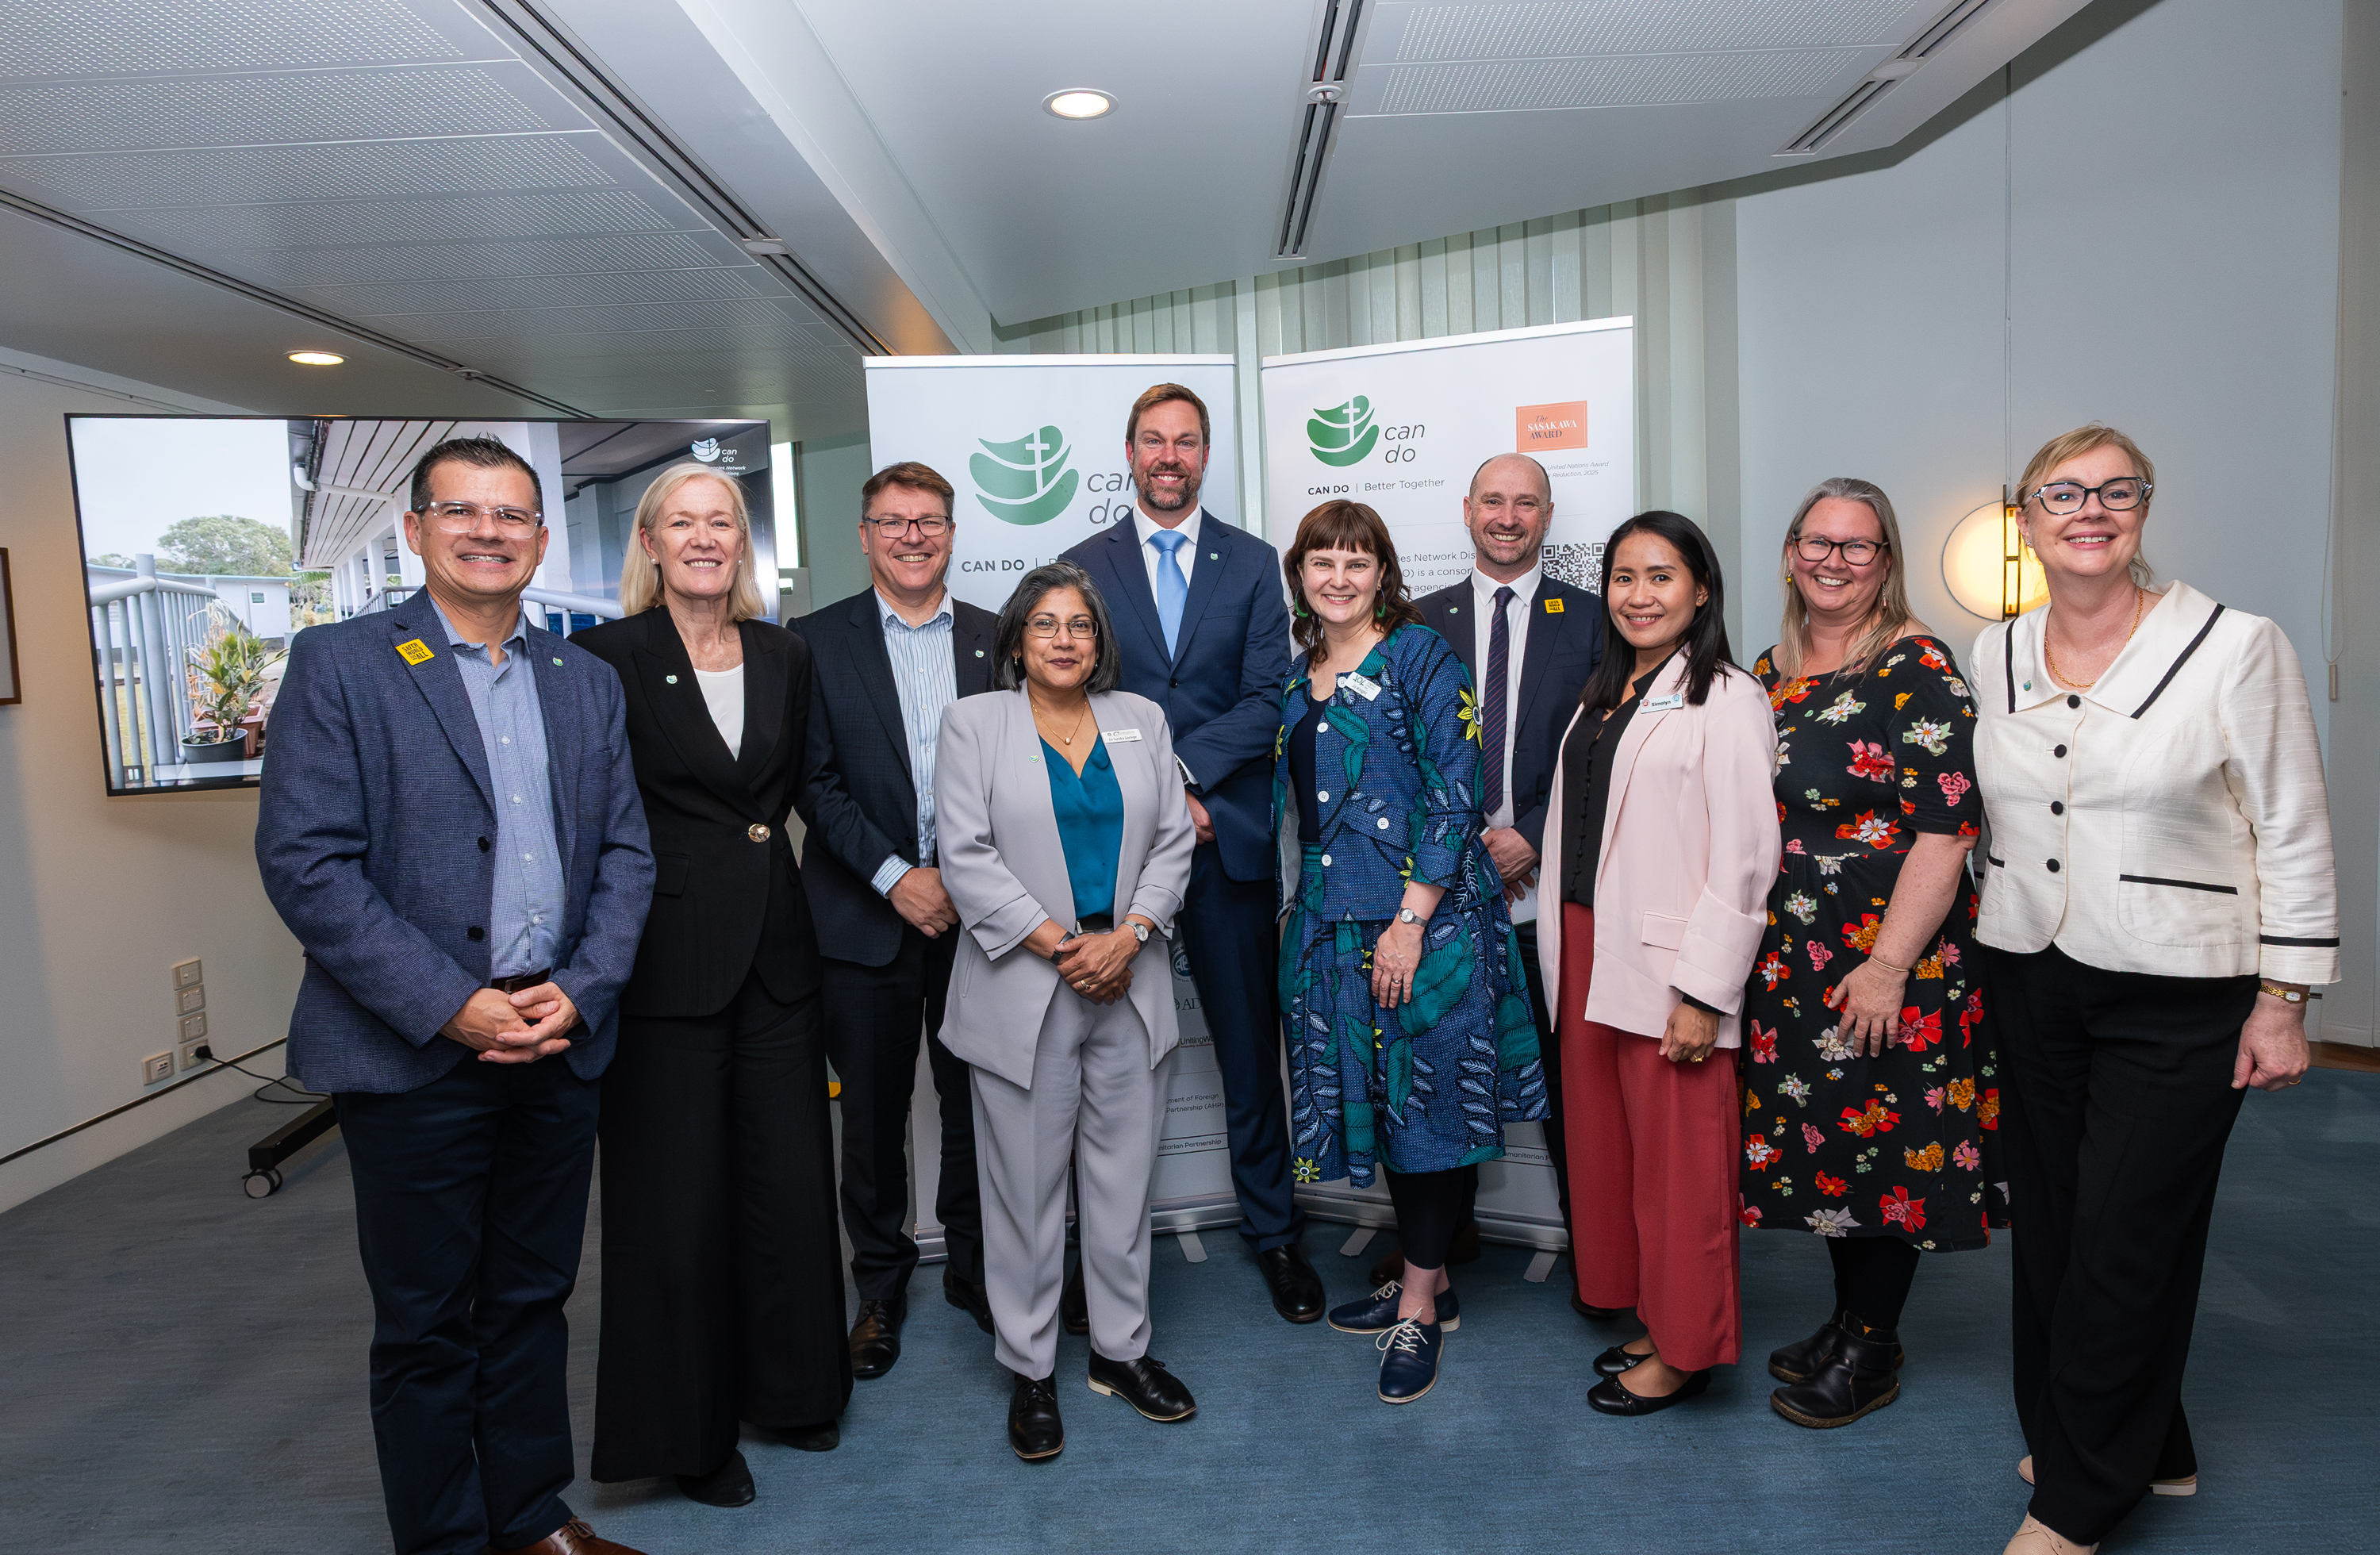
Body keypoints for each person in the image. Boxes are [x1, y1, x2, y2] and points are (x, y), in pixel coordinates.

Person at [255, 436, 654, 1555]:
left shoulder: (586, 680)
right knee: (428, 1322)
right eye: (462, 511)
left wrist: (579, 990)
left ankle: (529, 1517)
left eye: (512, 515)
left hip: (556, 1037)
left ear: (539, 539)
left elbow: (627, 857)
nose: (488, 531)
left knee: (531, 1300)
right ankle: (444, 1541)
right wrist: (451, 1004)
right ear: (415, 529)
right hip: (416, 1050)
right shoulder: (340, 663)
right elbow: (307, 865)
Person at [1971, 426, 2336, 1555]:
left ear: (2143, 509)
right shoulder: (1996, 651)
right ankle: (2144, 1442)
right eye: (2062, 493)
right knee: (2057, 1229)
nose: (2091, 510)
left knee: (2129, 1230)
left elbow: (2292, 822)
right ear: (2025, 520)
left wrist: (2289, 994)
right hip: (2030, 971)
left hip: (2183, 984)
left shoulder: (2234, 644)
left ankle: (2077, 1499)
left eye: (2115, 491)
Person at [572, 464, 848, 1507]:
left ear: (743, 542)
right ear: (648, 543)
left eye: (720, 522)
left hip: (779, 954)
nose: (702, 537)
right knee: (672, 1204)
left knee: (785, 1185)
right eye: (680, 522)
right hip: (661, 964)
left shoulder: (786, 652)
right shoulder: (605, 659)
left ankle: (793, 1389)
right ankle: (689, 1437)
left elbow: (800, 792)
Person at [1740, 478, 2005, 1430]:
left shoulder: (1914, 662)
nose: (1834, 562)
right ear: (1789, 550)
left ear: (1885, 561)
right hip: (1795, 948)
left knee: (1886, 1145)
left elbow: (1948, 830)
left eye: (1858, 547)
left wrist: (1889, 964)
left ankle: (1874, 1348)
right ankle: (1850, 1320)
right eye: (1818, 543)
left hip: (1892, 948)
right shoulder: (1768, 669)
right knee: (1832, 1144)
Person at [1274, 500, 1546, 1406]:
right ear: (1301, 574)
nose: (1339, 577)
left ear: (1382, 572)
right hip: (1330, 925)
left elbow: (1454, 791)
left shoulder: (1423, 656)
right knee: (1386, 1112)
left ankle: (1422, 1304)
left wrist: (1410, 918)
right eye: (1323, 561)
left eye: (1357, 561)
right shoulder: (1299, 673)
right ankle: (1431, 1274)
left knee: (1427, 1112)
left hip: (1419, 925)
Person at [1061, 383, 1322, 1323]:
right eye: (1154, 441)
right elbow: (1072, 697)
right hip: (1114, 850)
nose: (1170, 457)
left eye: (1187, 442)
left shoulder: (1254, 564)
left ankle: (1275, 1233)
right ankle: (1100, 1250)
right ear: (1129, 452)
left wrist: (1187, 787)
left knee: (1251, 1052)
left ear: (1205, 455)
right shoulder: (1080, 567)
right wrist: (1157, 796)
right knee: (1100, 1055)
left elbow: (1266, 697)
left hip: (1225, 842)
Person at [935, 562, 1199, 1460]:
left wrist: (1126, 938)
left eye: (1080, 625)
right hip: (1027, 986)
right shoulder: (974, 723)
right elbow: (964, 857)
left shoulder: (1141, 721)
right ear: (1015, 639)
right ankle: (1033, 1367)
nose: (1063, 639)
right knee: (1025, 1192)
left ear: (1100, 641)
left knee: (1123, 1186)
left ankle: (1122, 1352)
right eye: (1044, 624)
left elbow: (1170, 841)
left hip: (1130, 974)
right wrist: (1064, 946)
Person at [1534, 510, 1779, 1418]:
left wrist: (1705, 993)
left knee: (1682, 1169)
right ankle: (1652, 1312)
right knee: (1613, 1156)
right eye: (1624, 577)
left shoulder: (1728, 695)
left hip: (1674, 964)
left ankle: (1688, 1347)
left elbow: (1747, 856)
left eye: (1661, 576)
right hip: (1591, 946)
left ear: (1701, 589)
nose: (1639, 595)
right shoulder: (1606, 690)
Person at [795, 461, 996, 1380]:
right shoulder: (811, 641)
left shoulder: (1001, 640)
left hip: (983, 921)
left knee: (979, 1105)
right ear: (865, 534)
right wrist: (895, 877)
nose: (912, 536)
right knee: (871, 1117)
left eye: (929, 521)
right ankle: (877, 1288)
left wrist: (963, 880)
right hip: (863, 919)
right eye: (893, 522)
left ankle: (975, 1267)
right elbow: (812, 782)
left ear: (952, 532)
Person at [1401, 451, 1603, 1295]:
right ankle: (1441, 1247)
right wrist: (1455, 850)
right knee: (1439, 1070)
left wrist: (1532, 831)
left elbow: (1607, 752)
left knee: (1570, 1083)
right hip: (1446, 896)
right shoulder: (1415, 622)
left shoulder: (1593, 619)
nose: (1509, 516)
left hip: (1546, 892)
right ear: (1466, 508)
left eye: (1527, 503)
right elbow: (1398, 759)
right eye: (1494, 500)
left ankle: (1600, 1263)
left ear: (1548, 516)